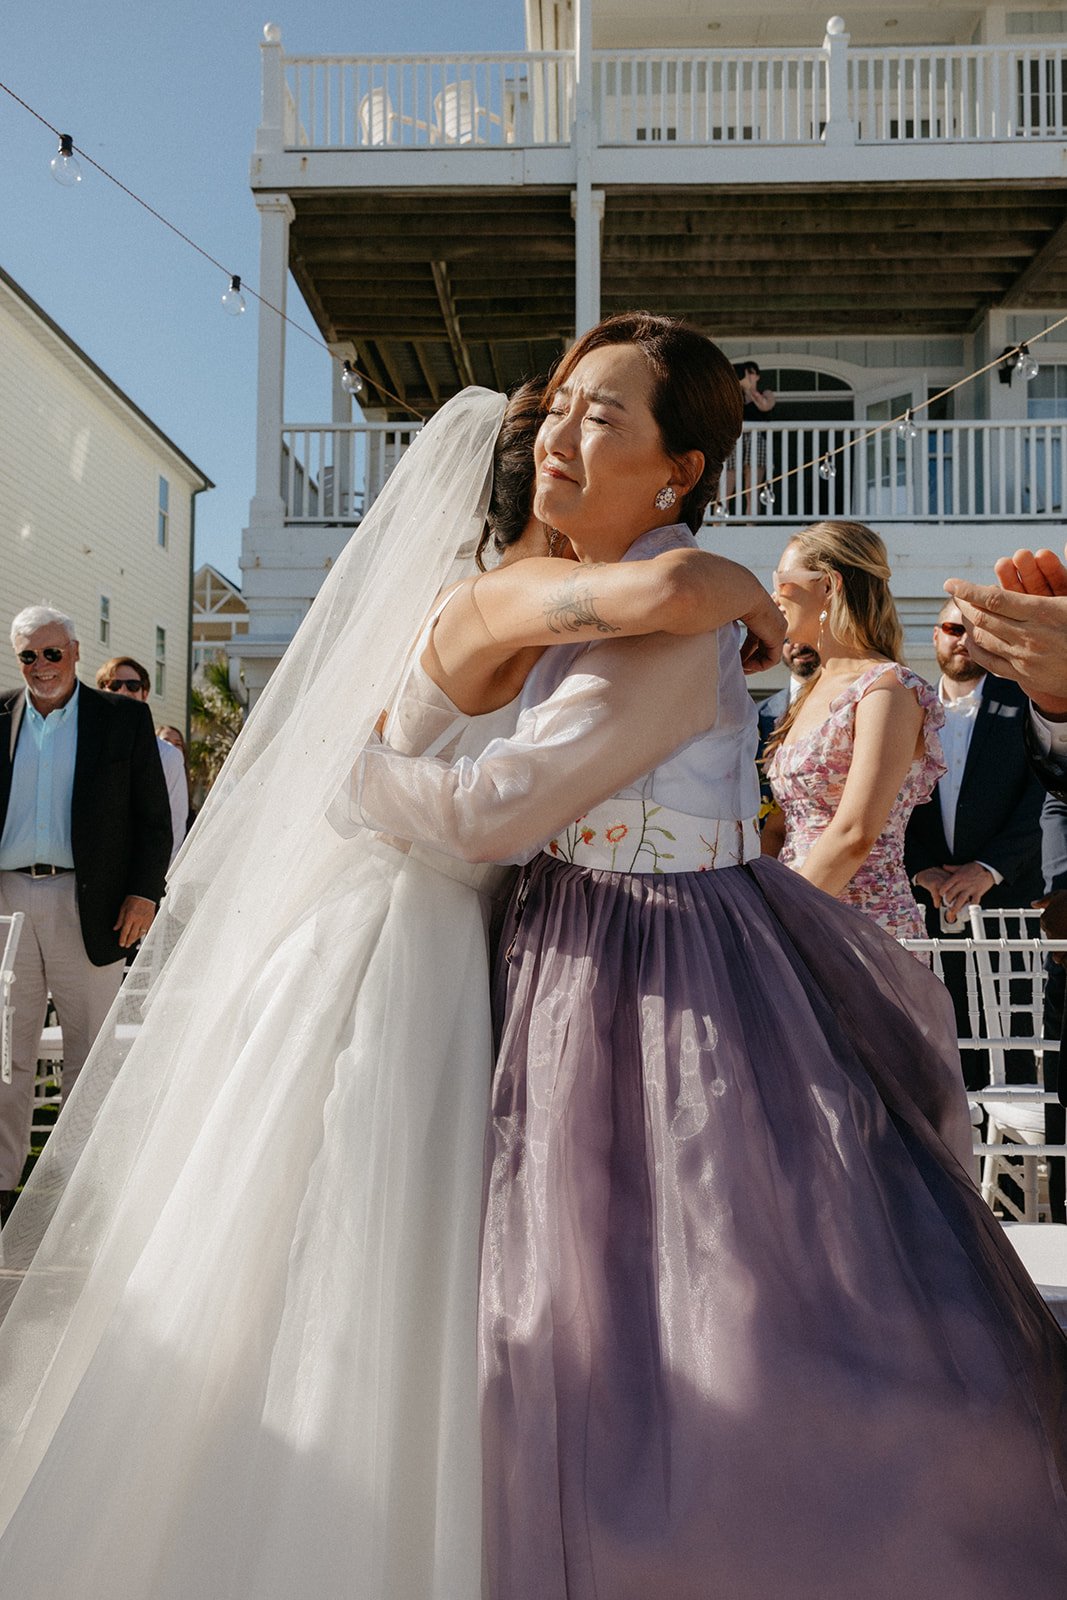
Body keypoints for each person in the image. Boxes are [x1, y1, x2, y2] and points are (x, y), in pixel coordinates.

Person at [0, 383, 783, 1600]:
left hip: (451, 929)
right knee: (376, 1253)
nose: (580, 466)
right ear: (530, 490)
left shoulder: (528, 608)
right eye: (565, 448)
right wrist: (746, 588)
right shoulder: (503, 596)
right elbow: (668, 595)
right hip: (408, 939)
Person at [353, 319, 1067, 1597]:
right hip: (581, 955)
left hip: (661, 966)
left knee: (711, 1294)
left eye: (600, 417)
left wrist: (345, 779)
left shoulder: (670, 605)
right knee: (597, 1295)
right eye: (557, 411)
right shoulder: (607, 591)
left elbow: (504, 805)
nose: (561, 435)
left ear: (677, 470)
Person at [0, 608, 171, 1215]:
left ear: (74, 652)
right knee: (4, 1054)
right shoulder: (2, 714)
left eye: (51, 653)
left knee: (90, 1052)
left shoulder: (123, 719)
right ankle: (2, 1192)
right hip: (7, 903)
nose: (40, 667)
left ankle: (83, 1195)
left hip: (91, 904)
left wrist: (144, 894)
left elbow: (155, 821)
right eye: (28, 656)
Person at [760, 521, 944, 938]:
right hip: (794, 914)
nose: (774, 595)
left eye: (783, 580)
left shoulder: (888, 689)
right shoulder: (813, 688)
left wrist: (779, 923)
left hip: (861, 928)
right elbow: (782, 823)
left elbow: (855, 833)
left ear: (828, 585)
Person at [905, 600, 1043, 933]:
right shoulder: (905, 708)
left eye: (976, 633)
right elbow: (887, 798)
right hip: (922, 904)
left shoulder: (1028, 703)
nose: (964, 641)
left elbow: (1044, 796)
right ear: (936, 636)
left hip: (1010, 904)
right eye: (954, 629)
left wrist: (988, 868)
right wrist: (922, 869)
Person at [94, 657, 188, 865]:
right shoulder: (85, 747)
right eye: (115, 685)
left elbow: (173, 827)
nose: (124, 691)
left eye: (133, 686)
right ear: (101, 692)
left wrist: (150, 888)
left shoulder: (169, 757)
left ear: (144, 693)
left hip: (144, 882)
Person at [726, 359, 776, 515]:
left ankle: (750, 522)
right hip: (735, 440)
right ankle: (719, 522)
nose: (748, 376)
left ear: (758, 376)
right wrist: (740, 388)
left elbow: (765, 406)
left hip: (757, 440)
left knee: (752, 487)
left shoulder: (765, 393)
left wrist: (750, 390)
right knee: (727, 482)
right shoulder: (734, 395)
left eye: (751, 373)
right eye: (744, 373)